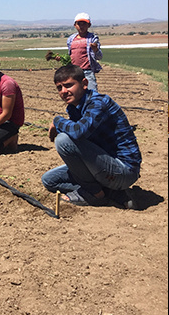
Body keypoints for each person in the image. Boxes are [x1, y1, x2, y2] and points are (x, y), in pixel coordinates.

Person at [42, 64, 141, 208]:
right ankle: (110, 192)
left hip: (123, 169)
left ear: (84, 84)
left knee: (63, 140)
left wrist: (57, 121)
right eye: (59, 88)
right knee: (50, 180)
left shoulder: (98, 103)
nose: (64, 91)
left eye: (69, 85)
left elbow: (79, 131)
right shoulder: (74, 107)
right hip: (103, 164)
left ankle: (95, 194)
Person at [67, 12, 102, 91]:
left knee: (92, 95)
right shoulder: (71, 39)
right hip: (74, 72)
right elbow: (70, 55)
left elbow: (99, 57)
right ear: (75, 25)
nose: (81, 26)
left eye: (84, 24)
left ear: (89, 25)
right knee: (76, 96)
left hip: (88, 72)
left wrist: (95, 49)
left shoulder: (93, 38)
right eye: (79, 24)